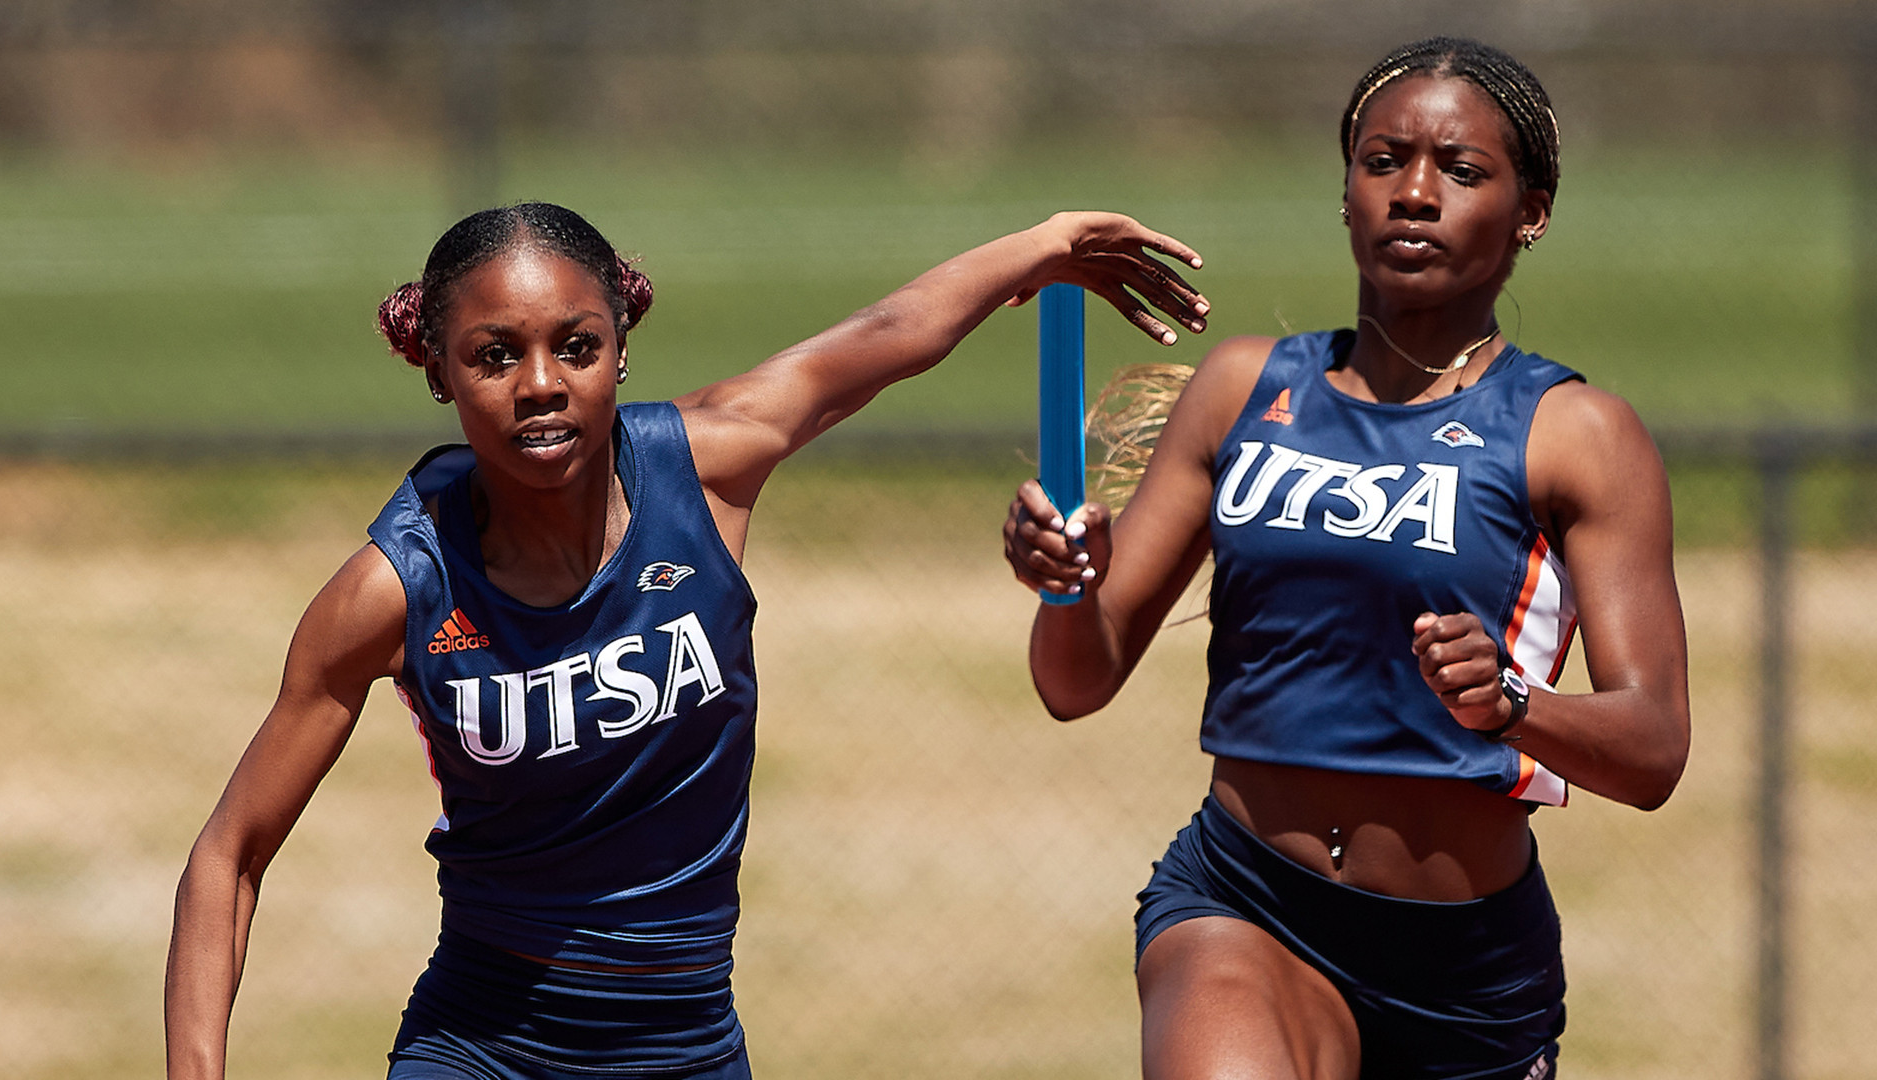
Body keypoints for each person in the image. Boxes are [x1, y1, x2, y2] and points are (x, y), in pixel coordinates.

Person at [164, 202, 1208, 1080]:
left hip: (687, 1042)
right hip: (482, 1045)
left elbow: (883, 335)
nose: (540, 384)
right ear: (438, 369)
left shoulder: (705, 472)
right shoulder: (393, 589)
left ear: (621, 346)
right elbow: (229, 854)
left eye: (577, 346)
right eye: (494, 355)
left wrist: (1043, 245)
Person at [1002, 38, 1690, 1080]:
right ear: (1346, 191)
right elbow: (1075, 681)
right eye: (1383, 161)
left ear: (1531, 211)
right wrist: (1067, 588)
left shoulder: (1575, 434)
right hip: (1244, 905)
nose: (1415, 194)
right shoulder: (1242, 389)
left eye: (1461, 171)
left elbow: (1653, 750)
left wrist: (1510, 705)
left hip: (1463, 972)